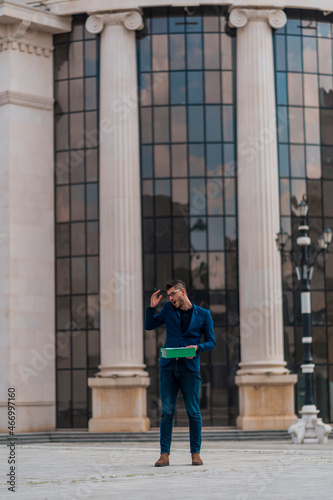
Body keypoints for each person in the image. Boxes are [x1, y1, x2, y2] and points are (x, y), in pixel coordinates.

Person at [144, 279, 216, 467]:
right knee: (167, 412)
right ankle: (164, 455)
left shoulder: (204, 314)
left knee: (193, 411)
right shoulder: (168, 309)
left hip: (190, 369)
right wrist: (151, 308)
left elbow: (212, 342)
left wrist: (197, 348)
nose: (170, 298)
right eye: (168, 296)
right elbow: (149, 325)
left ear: (182, 292)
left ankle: (195, 454)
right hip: (168, 366)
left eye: (173, 294)